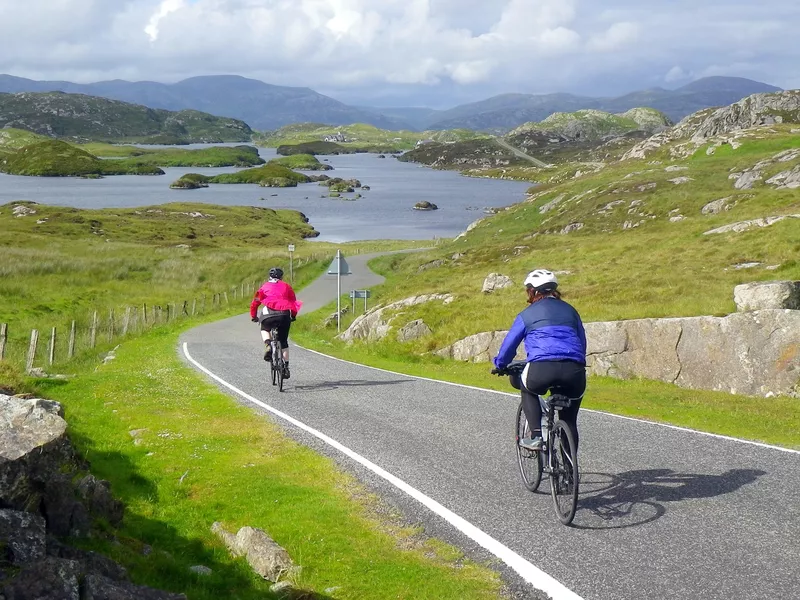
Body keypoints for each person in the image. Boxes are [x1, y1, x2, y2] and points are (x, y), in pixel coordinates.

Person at [493, 269, 587, 451]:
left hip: (542, 368)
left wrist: (500, 364)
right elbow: (582, 341)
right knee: (569, 421)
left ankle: (536, 435)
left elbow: (509, 345)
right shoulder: (571, 311)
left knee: (527, 388)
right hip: (574, 370)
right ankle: (569, 472)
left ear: (532, 291)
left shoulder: (526, 314)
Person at [250, 267, 302, 379]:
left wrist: (254, 316)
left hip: (269, 314)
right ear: (281, 277)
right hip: (284, 315)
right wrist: (293, 316)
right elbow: (293, 302)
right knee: (283, 342)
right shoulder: (286, 286)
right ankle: (286, 367)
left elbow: (255, 302)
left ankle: (268, 344)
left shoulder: (264, 287)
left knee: (264, 328)